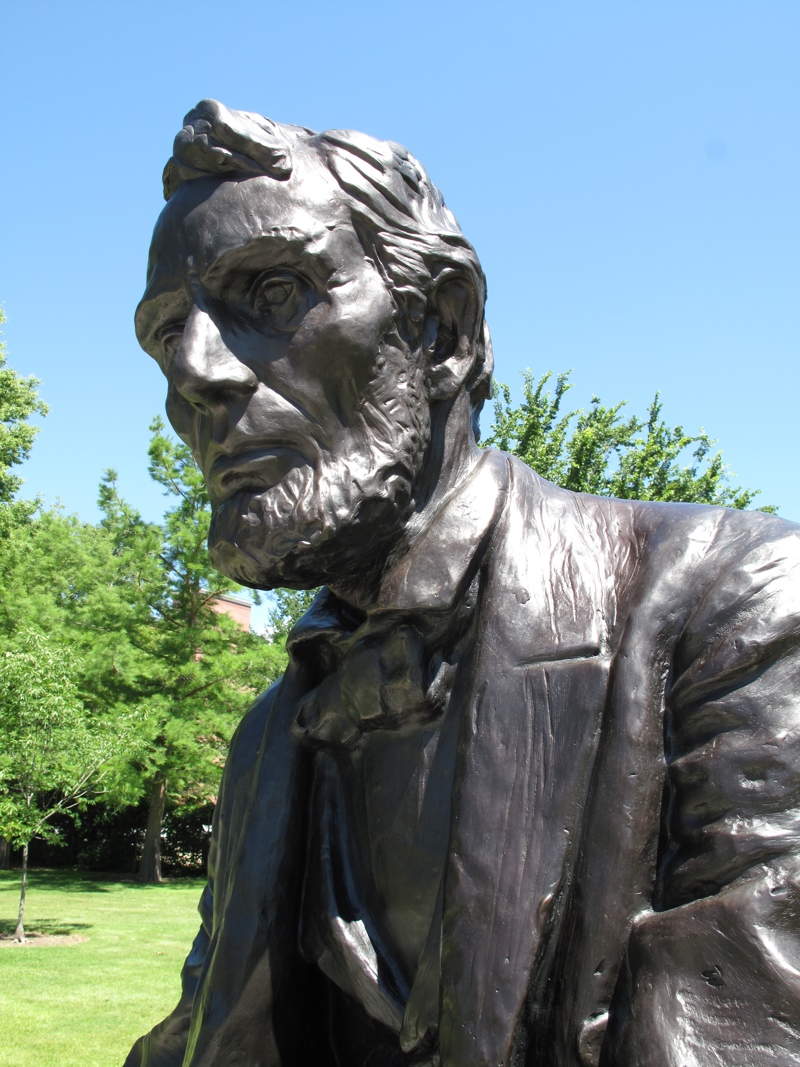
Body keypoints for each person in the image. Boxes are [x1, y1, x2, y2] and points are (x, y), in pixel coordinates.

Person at [126, 100, 800, 1067]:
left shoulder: (734, 607)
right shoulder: (269, 738)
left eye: (270, 293)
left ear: (442, 328)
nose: (194, 371)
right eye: (164, 336)